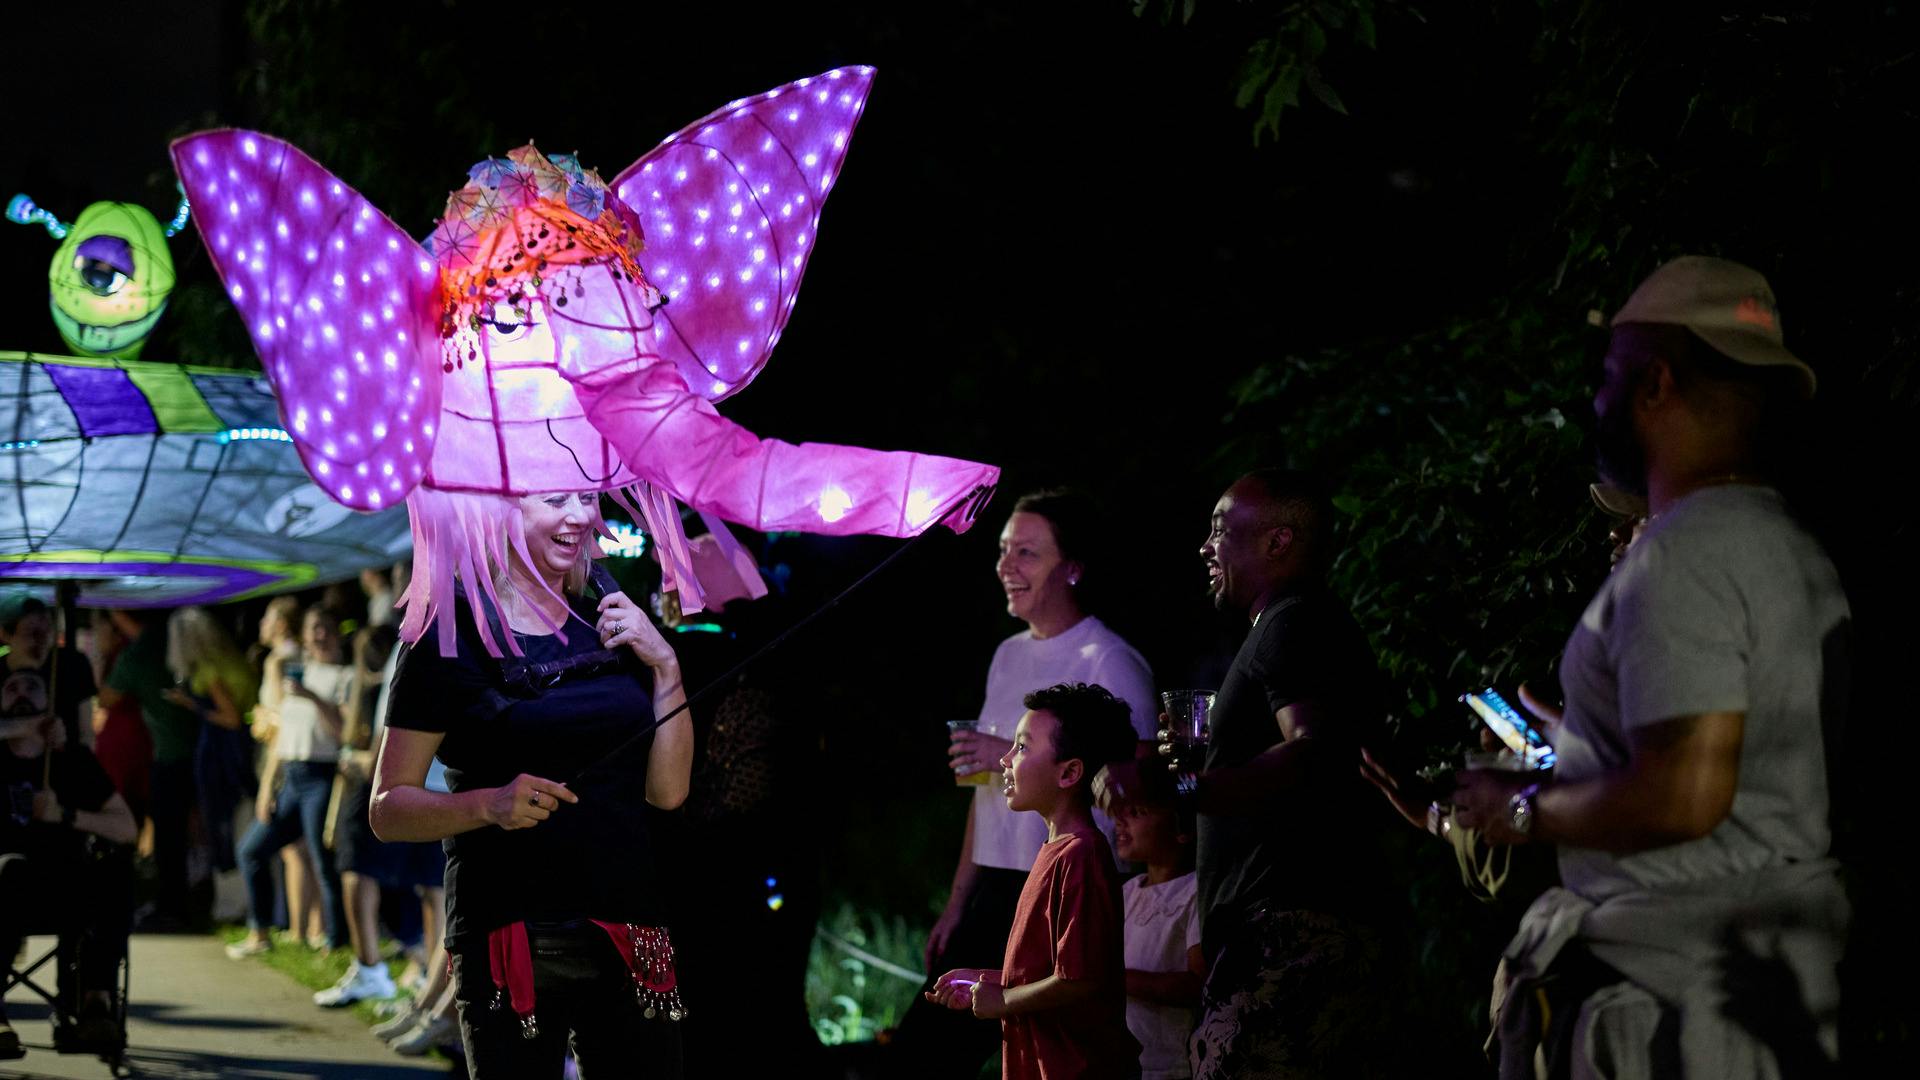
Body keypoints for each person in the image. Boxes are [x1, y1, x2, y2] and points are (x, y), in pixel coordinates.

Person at [1449, 256, 1850, 1076]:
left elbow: (1684, 792)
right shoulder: (1784, 545)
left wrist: (1517, 806)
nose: (1596, 402)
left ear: (1655, 383)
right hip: (1761, 997)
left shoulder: (1686, 556)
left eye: (1607, 380)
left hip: (1675, 1018)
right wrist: (1596, 744)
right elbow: (1744, 769)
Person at [370, 489, 693, 1079]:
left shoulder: (610, 608)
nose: (582, 515)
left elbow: (667, 792)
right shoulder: (447, 630)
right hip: (512, 936)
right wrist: (490, 805)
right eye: (554, 498)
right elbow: (388, 809)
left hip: (630, 927)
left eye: (588, 497)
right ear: (499, 508)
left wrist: (666, 667)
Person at [1098, 468, 1397, 1078]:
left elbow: (1314, 751)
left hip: (1290, 936)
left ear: (1278, 541)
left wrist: (1185, 787)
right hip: (1288, 929)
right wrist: (1187, 759)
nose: (1205, 547)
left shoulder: (1295, 622)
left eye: (1218, 530)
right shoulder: (1289, 627)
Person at [893, 489, 1158, 1079]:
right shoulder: (1006, 655)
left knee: (1028, 1049)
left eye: (1027, 553)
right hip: (997, 883)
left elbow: (1141, 791)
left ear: (1074, 568)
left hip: (1065, 884)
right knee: (937, 1046)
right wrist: (958, 903)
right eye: (1003, 550)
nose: (1006, 566)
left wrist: (1004, 755)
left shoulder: (1109, 660)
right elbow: (985, 794)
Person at [929, 682, 1141, 1079]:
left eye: (1022, 747)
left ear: (1070, 772)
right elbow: (1053, 973)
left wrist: (1005, 1000)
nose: (1006, 759)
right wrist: (987, 982)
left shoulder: (1082, 855)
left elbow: (1080, 981)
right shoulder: (1055, 850)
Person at [0, 688, 138, 1060]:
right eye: (12, 689)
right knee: (10, 867)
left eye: (34, 689)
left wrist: (65, 815)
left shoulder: (70, 760)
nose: (23, 696)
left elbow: (127, 828)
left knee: (114, 866)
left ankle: (95, 1000)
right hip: (6, 893)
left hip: (65, 889)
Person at [228, 608, 356, 973]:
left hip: (323, 772)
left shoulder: (344, 677)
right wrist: (268, 785)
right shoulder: (298, 672)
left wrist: (313, 697)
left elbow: (345, 731)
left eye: (325, 629)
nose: (319, 636)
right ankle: (261, 930)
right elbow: (282, 734)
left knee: (322, 860)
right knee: (251, 850)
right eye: (312, 629)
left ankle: (337, 940)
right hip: (293, 775)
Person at [97, 608, 204, 929]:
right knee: (179, 833)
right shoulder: (169, 638)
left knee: (169, 836)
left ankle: (172, 907)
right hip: (192, 750)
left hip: (168, 756)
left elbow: (106, 699)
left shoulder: (137, 654)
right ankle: (179, 902)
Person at [1112, 772, 1202, 1080]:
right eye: (1122, 811)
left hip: (1166, 1065)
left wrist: (1114, 979)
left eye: (1137, 812)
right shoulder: (1126, 892)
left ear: (1182, 830)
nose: (1120, 819)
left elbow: (1198, 985)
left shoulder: (1194, 894)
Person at [163, 607, 259, 882]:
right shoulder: (229, 657)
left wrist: (190, 704)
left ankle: (227, 875)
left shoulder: (207, 669)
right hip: (239, 742)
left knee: (219, 812)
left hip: (223, 747)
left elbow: (230, 718)